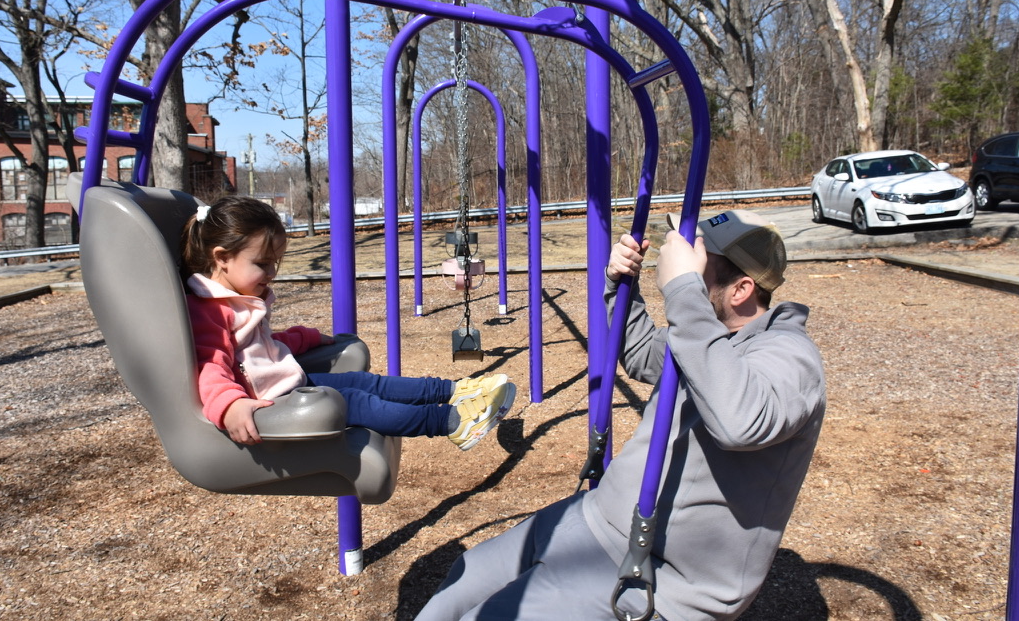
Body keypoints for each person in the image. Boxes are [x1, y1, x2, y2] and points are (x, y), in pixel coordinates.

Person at [415, 209, 826, 620]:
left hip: (659, 577)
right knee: (462, 585)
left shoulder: (789, 356)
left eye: (698, 260)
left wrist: (684, 291)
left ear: (741, 290)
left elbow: (741, 423)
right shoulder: (709, 334)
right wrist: (622, 284)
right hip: (598, 517)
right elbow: (643, 354)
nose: (682, 263)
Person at [180, 195, 515, 450]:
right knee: (358, 402)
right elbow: (211, 365)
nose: (272, 273)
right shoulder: (210, 309)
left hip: (287, 381)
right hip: (269, 402)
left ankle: (456, 390)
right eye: (263, 263)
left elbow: (257, 346)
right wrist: (231, 406)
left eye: (275, 263)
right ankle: (452, 422)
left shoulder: (236, 297)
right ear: (222, 258)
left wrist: (304, 338)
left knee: (365, 382)